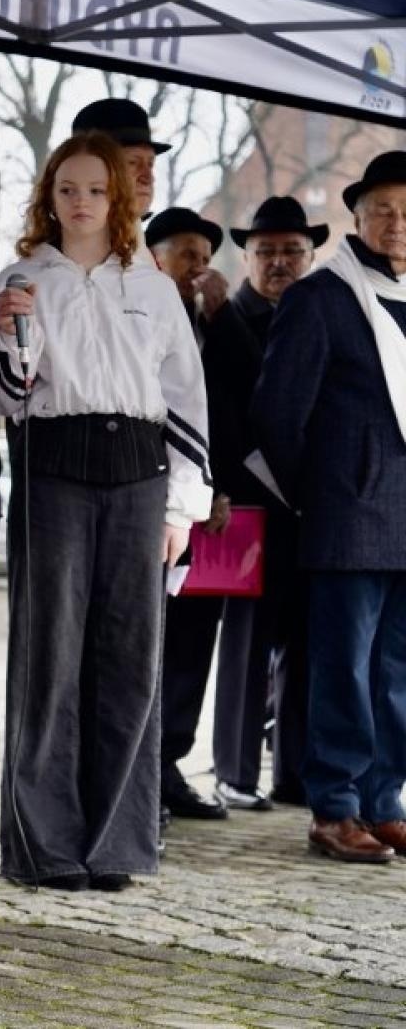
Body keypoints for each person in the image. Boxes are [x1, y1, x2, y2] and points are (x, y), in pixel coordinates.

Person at [0, 133, 212, 893]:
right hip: (54, 471)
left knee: (129, 657)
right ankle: (46, 844)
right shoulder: (21, 278)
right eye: (67, 188)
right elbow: (1, 399)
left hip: (140, 477)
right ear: (48, 196)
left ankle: (115, 843)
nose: (80, 202)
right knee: (50, 655)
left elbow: (185, 401)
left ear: (119, 200)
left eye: (96, 190)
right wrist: (13, 334)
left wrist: (182, 505)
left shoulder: (151, 287)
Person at [253, 151, 406, 866]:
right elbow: (278, 414)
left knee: (397, 670)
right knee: (343, 666)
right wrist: (322, 492)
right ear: (358, 214)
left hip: (402, 517)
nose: (397, 223)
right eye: (384, 209)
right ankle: (335, 808)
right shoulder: (320, 296)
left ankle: (384, 801)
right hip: (348, 514)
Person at [205, 197, 324, 812]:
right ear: (247, 255)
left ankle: (296, 773)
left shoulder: (325, 315)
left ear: (311, 255)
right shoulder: (227, 318)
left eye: (292, 251)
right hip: (248, 505)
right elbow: (223, 415)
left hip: (313, 508)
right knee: (247, 644)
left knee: (305, 643)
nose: (280, 262)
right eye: (267, 251)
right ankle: (235, 771)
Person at [145, 207, 234, 824]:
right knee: (150, 638)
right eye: (186, 256)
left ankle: (171, 759)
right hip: (149, 504)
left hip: (207, 509)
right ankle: (139, 765)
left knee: (194, 641)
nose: (198, 269)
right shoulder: (145, 313)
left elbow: (241, 395)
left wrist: (224, 315)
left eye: (205, 258)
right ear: (157, 258)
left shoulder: (215, 321)